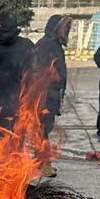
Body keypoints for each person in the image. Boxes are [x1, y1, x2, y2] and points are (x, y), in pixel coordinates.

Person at [32, 14, 71, 177]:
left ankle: (40, 162)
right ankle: (42, 163)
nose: (66, 31)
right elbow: (37, 70)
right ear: (56, 28)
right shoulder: (46, 44)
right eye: (64, 27)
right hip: (44, 95)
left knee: (44, 129)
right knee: (42, 130)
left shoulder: (54, 44)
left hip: (51, 94)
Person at [0, 10, 35, 132]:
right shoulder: (27, 45)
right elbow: (35, 71)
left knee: (1, 133)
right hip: (22, 98)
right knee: (18, 133)